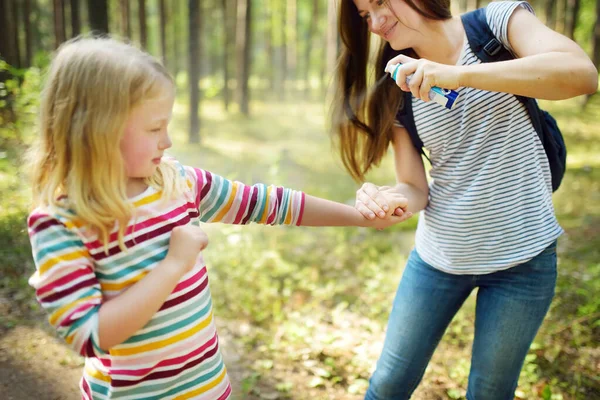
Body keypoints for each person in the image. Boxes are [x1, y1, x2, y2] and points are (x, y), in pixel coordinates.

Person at [25, 37, 412, 400]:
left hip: (208, 389)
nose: (167, 140)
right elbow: (91, 336)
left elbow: (268, 204)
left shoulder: (177, 182)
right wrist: (174, 264)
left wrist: (359, 217)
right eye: (154, 128)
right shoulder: (61, 224)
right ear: (97, 131)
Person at [330, 0, 597, 399]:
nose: (376, 22)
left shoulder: (497, 24)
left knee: (489, 392)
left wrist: (460, 75)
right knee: (388, 383)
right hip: (438, 261)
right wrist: (389, 197)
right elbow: (415, 187)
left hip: (523, 264)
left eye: (381, 2)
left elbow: (582, 75)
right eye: (366, 15)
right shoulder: (400, 87)